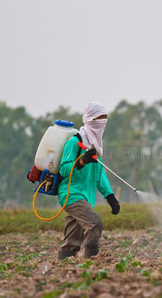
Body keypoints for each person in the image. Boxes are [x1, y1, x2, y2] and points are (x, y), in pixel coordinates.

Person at [57, 102, 120, 260]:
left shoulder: (96, 146)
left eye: (105, 118)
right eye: (100, 117)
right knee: (94, 222)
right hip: (71, 194)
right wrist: (81, 161)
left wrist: (110, 196)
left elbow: (99, 174)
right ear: (90, 118)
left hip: (86, 196)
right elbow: (64, 169)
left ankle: (60, 265)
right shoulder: (74, 142)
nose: (103, 121)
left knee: (72, 241)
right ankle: (93, 260)